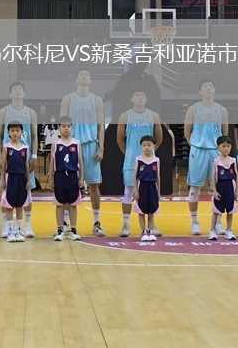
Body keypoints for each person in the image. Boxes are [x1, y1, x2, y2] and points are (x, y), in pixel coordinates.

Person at [60, 70, 106, 236]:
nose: (85, 76)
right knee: (68, 184)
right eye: (81, 74)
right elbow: (62, 125)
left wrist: (101, 148)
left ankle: (97, 223)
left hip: (91, 145)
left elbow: (101, 126)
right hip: (72, 146)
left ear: (90, 80)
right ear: (76, 79)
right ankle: (65, 222)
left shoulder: (97, 100)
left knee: (94, 185)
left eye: (87, 74)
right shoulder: (68, 99)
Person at [183, 79, 230, 236]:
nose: (208, 88)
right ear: (200, 91)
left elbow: (224, 133)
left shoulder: (222, 110)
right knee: (194, 187)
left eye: (211, 86)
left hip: (215, 151)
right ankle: (194, 222)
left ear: (214, 90)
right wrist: (194, 145)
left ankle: (218, 222)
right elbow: (187, 131)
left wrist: (221, 149)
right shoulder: (193, 109)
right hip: (198, 150)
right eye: (205, 86)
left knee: (219, 187)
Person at [116, 89, 162, 238]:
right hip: (131, 160)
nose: (140, 97)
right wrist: (129, 152)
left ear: (146, 98)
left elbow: (159, 137)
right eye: (137, 95)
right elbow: (119, 139)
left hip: (149, 161)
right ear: (132, 98)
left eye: (142, 95)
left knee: (151, 193)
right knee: (128, 193)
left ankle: (152, 226)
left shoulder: (153, 115)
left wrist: (149, 154)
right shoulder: (125, 116)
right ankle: (126, 224)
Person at [0, 82, 39, 238]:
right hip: (9, 156)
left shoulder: (31, 112)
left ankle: (26, 226)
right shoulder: (3, 112)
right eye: (14, 89)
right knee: (6, 193)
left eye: (20, 89)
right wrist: (0, 156)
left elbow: (35, 136)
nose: (17, 91)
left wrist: (34, 155)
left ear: (24, 93)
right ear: (10, 94)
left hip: (24, 156)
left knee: (27, 193)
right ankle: (6, 226)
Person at [51, 117, 84, 241]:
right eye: (63, 126)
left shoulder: (76, 143)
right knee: (59, 204)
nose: (66, 128)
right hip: (59, 176)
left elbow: (80, 161)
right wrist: (50, 179)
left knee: (73, 204)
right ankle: (60, 229)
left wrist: (81, 177)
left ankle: (73, 230)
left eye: (68, 126)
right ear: (59, 128)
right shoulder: (56, 144)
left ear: (72, 128)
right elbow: (52, 162)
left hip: (72, 176)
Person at [0, 121, 32, 242]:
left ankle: (17, 229)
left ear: (21, 132)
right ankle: (10, 230)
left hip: (22, 178)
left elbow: (26, 165)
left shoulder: (25, 148)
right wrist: (3, 179)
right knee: (9, 205)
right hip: (10, 177)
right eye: (12, 131)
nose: (15, 133)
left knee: (20, 205)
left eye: (17, 131)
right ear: (8, 132)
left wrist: (28, 180)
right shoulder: (6, 147)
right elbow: (4, 164)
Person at [209, 135, 238, 241]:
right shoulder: (216, 161)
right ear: (218, 147)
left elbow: (237, 176)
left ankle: (229, 230)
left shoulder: (233, 160)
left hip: (230, 187)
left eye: (228, 146)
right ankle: (212, 230)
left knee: (230, 211)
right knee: (216, 211)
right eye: (223, 146)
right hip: (220, 187)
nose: (226, 148)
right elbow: (213, 177)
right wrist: (214, 191)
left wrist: (237, 191)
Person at [133, 134, 161, 242]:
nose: (146, 147)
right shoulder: (138, 159)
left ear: (154, 146)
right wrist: (136, 190)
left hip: (152, 187)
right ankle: (143, 231)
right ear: (141, 146)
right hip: (142, 187)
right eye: (144, 145)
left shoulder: (156, 160)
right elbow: (135, 176)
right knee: (141, 210)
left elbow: (158, 177)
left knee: (151, 211)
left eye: (149, 145)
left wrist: (159, 192)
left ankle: (150, 230)